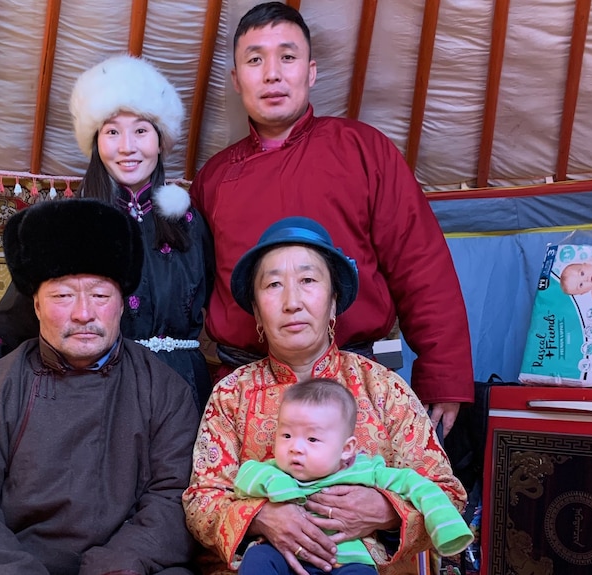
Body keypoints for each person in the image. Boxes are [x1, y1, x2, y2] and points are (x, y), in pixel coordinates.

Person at [188, 1, 472, 435]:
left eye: (287, 57)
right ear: (236, 79)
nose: (272, 73)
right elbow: (192, 293)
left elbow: (421, 266)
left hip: (356, 386)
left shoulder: (363, 151)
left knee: (356, 502)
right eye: (254, 60)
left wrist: (443, 374)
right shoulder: (213, 179)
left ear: (311, 71)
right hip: (244, 394)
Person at [0, 199, 199, 575]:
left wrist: (117, 565)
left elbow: (173, 497)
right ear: (35, 304)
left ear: (121, 304)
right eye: (63, 295)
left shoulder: (164, 389)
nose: (84, 313)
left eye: (100, 295)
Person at [0, 55, 213, 420]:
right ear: (96, 142)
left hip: (182, 394)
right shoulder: (69, 221)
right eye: (112, 131)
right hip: (92, 391)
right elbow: (13, 321)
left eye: (141, 131)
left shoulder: (190, 221)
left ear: (161, 142)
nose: (127, 147)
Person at [182, 216, 466, 575]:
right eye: (273, 285)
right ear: (256, 310)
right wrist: (260, 517)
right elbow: (200, 502)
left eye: (308, 281)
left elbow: (448, 495)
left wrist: (386, 511)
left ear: (333, 303)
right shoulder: (231, 395)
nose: (292, 302)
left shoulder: (383, 388)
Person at [233, 379, 473, 575]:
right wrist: (281, 488)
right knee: (257, 558)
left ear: (346, 449)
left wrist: (446, 527)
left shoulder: (364, 471)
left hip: (345, 562)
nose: (295, 447)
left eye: (312, 439)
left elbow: (417, 485)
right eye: (286, 435)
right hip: (286, 558)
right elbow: (245, 476)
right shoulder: (277, 470)